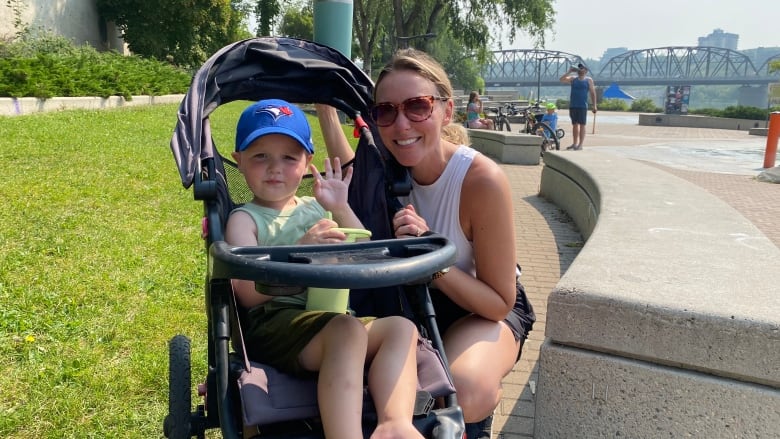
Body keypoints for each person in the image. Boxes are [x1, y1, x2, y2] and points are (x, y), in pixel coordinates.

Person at [318, 49, 535, 438]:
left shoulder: (480, 180)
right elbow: (345, 167)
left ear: (446, 111)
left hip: (481, 309)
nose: (401, 124)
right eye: (385, 111)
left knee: (464, 388)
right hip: (412, 304)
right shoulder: (384, 165)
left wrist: (430, 256)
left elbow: (499, 301)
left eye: (417, 106)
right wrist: (326, 110)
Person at [226, 99, 424, 439]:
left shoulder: (317, 208)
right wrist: (300, 253)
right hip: (277, 325)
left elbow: (366, 255)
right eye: (260, 156)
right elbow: (245, 292)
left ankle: (395, 424)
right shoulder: (245, 219)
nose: (275, 167)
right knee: (347, 331)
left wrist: (341, 208)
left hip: (331, 318)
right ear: (238, 161)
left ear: (307, 164)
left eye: (289, 157)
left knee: (401, 329)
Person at [559, 63, 597, 150]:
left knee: (582, 125)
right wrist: (569, 71)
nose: (580, 69)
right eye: (579, 68)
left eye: (582, 68)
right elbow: (561, 79)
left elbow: (592, 93)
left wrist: (594, 105)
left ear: (586, 70)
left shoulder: (589, 80)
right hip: (573, 105)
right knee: (575, 125)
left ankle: (580, 144)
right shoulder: (573, 79)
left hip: (582, 106)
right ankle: (574, 143)